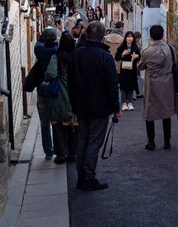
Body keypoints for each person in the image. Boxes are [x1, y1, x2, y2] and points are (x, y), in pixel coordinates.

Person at [68, 21, 121, 191]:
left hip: (80, 106)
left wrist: (73, 103)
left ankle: (81, 177)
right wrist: (116, 107)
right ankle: (89, 177)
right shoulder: (105, 57)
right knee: (93, 142)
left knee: (82, 141)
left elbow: (70, 81)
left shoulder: (76, 54)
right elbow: (112, 84)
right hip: (99, 107)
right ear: (102, 37)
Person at [137, 24, 178, 151]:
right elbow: (175, 62)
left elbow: (140, 67)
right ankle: (167, 141)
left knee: (150, 112)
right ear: (163, 35)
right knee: (166, 112)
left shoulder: (147, 52)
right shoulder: (170, 49)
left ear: (150, 36)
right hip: (168, 83)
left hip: (152, 85)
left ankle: (151, 141)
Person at [45, 33, 78, 163]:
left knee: (58, 125)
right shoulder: (76, 57)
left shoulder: (56, 57)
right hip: (74, 94)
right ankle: (73, 152)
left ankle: (61, 154)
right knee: (72, 124)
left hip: (59, 94)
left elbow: (50, 73)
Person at [34, 27, 59, 159]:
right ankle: (59, 148)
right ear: (55, 39)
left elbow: (38, 44)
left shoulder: (39, 51)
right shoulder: (56, 51)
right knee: (56, 120)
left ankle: (48, 151)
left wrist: (42, 37)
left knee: (44, 122)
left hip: (42, 89)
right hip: (54, 89)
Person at [115, 31, 141, 111]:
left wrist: (137, 56)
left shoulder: (135, 47)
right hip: (124, 69)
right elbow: (117, 57)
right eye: (128, 37)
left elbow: (139, 56)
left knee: (131, 86)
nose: (130, 39)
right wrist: (122, 54)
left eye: (131, 37)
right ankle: (123, 103)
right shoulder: (122, 47)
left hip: (132, 69)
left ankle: (130, 103)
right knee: (123, 87)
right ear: (125, 38)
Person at [133, 31, 143, 99]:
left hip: (136, 62)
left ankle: (137, 93)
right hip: (134, 63)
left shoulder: (136, 43)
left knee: (135, 78)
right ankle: (136, 93)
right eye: (139, 38)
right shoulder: (134, 44)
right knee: (134, 79)